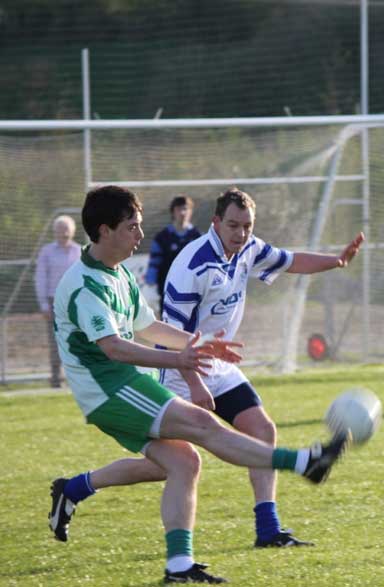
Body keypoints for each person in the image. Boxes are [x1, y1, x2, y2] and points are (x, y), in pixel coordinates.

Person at [49, 185, 350, 585]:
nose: (140, 236)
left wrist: (202, 345)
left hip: (121, 382)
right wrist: (181, 360)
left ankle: (177, 566)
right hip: (107, 387)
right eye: (132, 227)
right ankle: (303, 462)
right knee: (204, 428)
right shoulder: (87, 285)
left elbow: (149, 327)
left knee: (183, 463)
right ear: (105, 230)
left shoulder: (119, 273)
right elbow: (115, 349)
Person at [161, 187, 365, 549]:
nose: (241, 234)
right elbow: (173, 337)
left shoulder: (248, 248)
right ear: (216, 222)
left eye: (247, 226)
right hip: (181, 371)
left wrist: (336, 261)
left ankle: (268, 530)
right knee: (165, 465)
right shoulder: (192, 264)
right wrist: (194, 384)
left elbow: (291, 261)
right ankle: (78, 486)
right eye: (234, 226)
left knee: (262, 429)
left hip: (219, 367)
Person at [34, 214, 81, 387]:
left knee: (76, 339)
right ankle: (56, 378)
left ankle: (76, 377)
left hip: (74, 302)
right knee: (55, 341)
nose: (64, 232)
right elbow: (40, 278)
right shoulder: (46, 251)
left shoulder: (79, 251)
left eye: (67, 229)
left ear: (73, 231)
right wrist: (44, 304)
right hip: (53, 301)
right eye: (60, 229)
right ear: (55, 231)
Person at [144, 195, 201, 315]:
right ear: (173, 212)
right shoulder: (162, 237)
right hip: (167, 289)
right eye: (179, 209)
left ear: (191, 212)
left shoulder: (197, 237)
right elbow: (154, 262)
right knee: (169, 325)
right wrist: (150, 284)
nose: (183, 212)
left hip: (192, 290)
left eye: (186, 209)